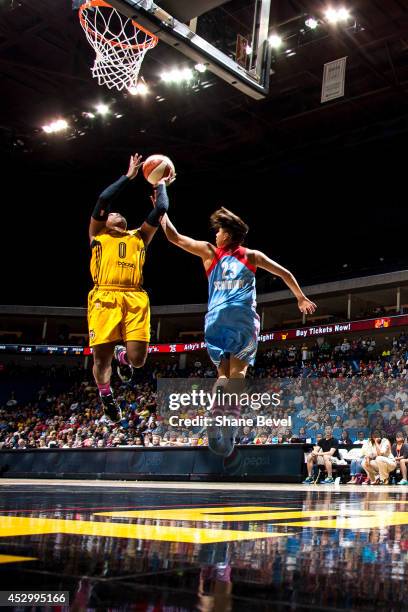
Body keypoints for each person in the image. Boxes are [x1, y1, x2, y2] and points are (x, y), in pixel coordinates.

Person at [160, 206, 316, 455]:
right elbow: (284, 273)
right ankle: (229, 424)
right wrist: (300, 297)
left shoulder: (209, 253)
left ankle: (214, 414)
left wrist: (161, 207)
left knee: (222, 376)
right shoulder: (252, 255)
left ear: (228, 235)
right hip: (242, 317)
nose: (216, 235)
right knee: (238, 374)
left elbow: (174, 237)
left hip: (215, 319)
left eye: (219, 231)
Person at [88, 153, 173, 422]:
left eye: (118, 212)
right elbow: (104, 199)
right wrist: (129, 176)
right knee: (100, 361)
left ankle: (122, 356)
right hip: (105, 295)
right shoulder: (97, 234)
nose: (115, 213)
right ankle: (106, 394)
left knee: (138, 360)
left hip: (135, 297)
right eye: (112, 214)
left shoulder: (140, 236)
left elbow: (160, 209)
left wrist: (160, 184)